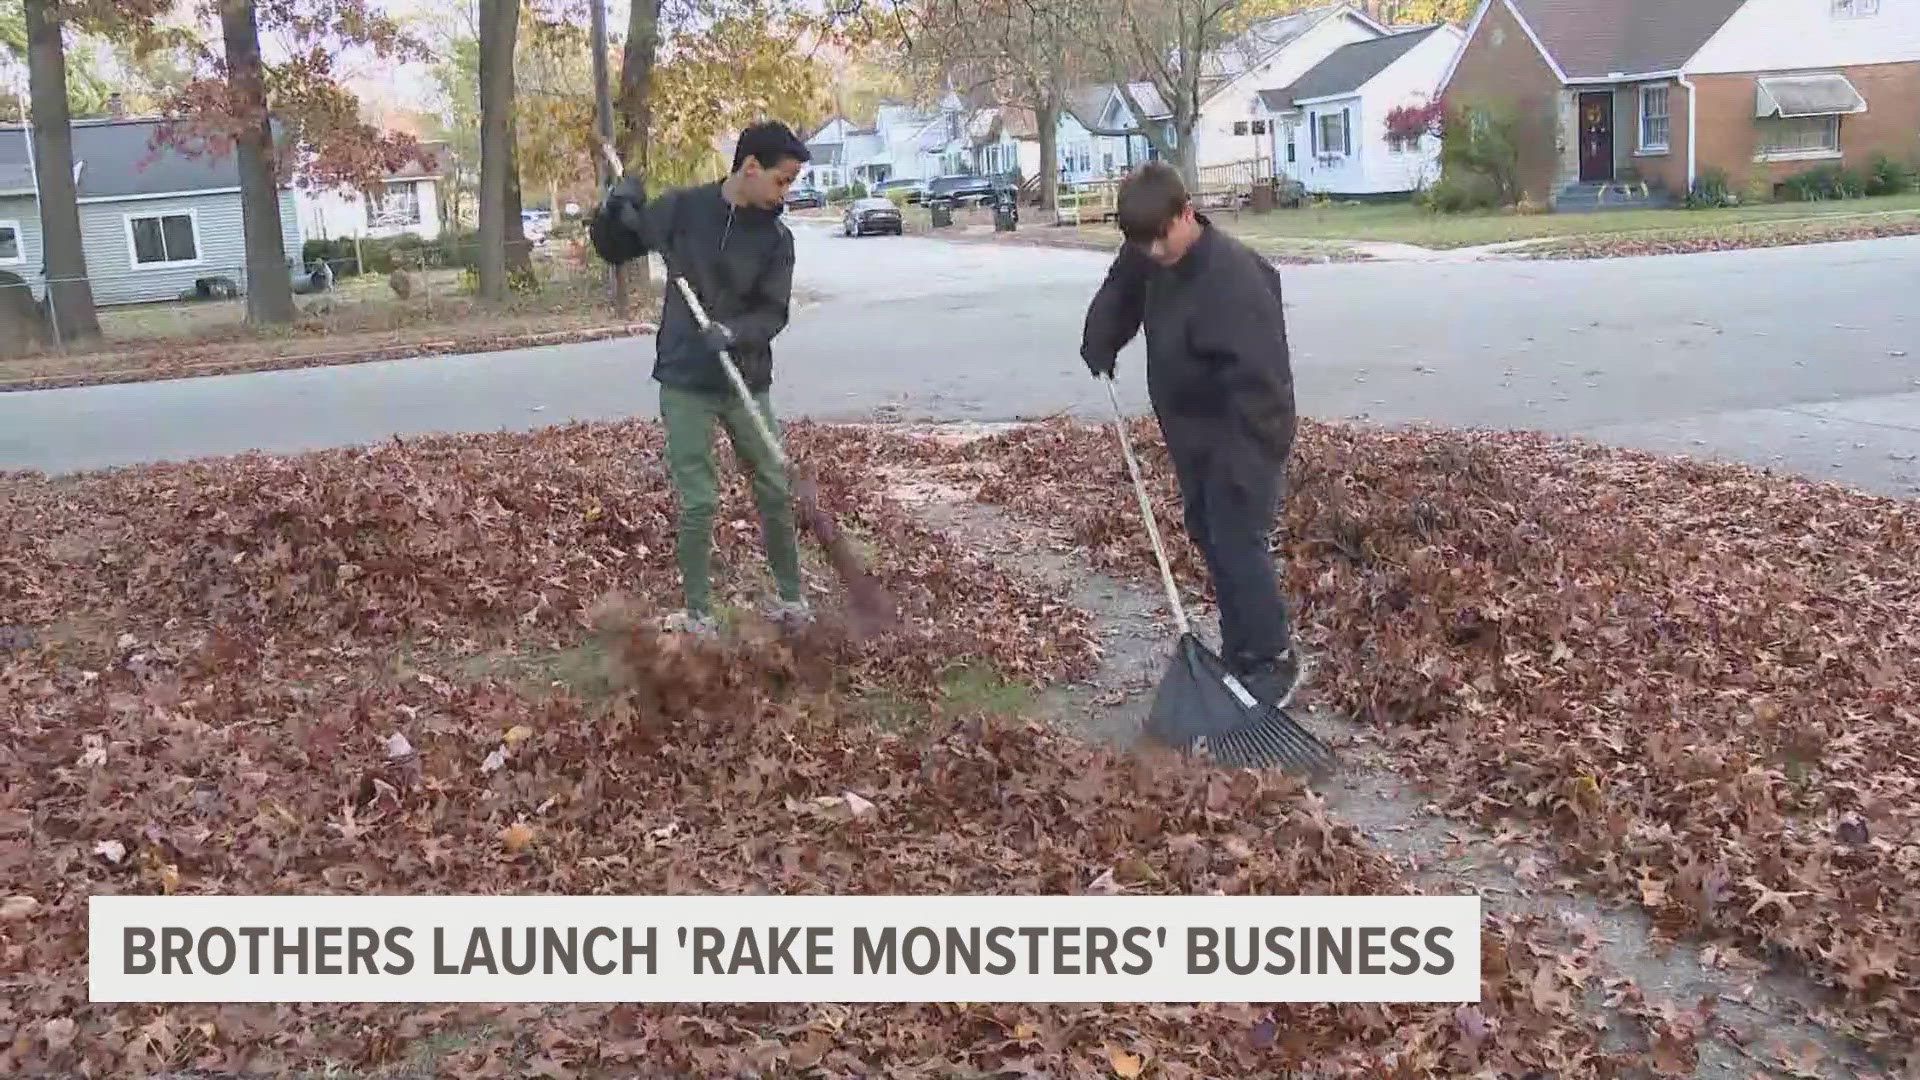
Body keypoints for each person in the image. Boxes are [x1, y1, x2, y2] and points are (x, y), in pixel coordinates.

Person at [1078, 162, 1304, 707]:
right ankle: (1242, 648)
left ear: (1186, 213)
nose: (1154, 252)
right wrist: (1101, 339)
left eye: (1160, 240)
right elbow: (1122, 289)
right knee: (1208, 530)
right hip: (1190, 427)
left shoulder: (1236, 279)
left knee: (1236, 535)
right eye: (1142, 244)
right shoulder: (1149, 249)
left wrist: (1240, 460)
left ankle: (1273, 658)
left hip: (1246, 427)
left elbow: (1262, 384)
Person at [590, 120, 813, 636]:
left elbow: (773, 313)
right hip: (686, 376)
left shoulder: (777, 239)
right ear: (750, 168)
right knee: (699, 499)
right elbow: (615, 248)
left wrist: (732, 333)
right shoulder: (685, 210)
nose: (786, 192)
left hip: (746, 378)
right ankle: (697, 615)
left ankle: (792, 601)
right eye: (782, 180)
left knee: (775, 487)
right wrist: (616, 211)